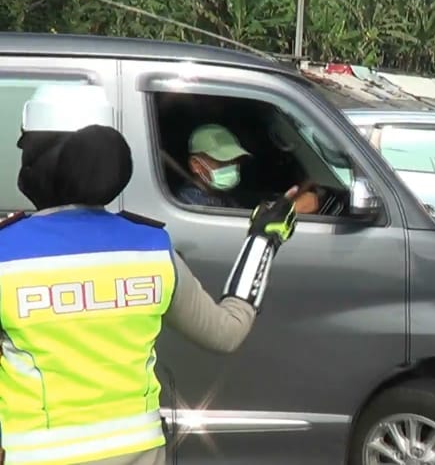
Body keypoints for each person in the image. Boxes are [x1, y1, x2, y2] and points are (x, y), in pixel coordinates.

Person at [0, 85, 298, 465]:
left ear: (36, 160)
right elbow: (226, 332)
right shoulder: (151, 248)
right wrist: (262, 242)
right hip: (139, 452)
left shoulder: (5, 253)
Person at [178, 123, 320, 214]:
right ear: (196, 165)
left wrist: (299, 191)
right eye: (223, 162)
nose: (232, 168)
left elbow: (256, 205)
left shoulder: (221, 194)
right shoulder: (192, 204)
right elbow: (236, 234)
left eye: (234, 161)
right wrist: (291, 210)